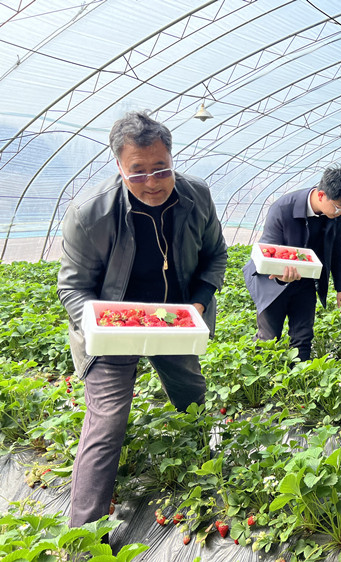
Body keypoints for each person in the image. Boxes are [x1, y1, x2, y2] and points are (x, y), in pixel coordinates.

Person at [57, 111, 228, 528]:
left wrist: (199, 306)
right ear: (119, 165)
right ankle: (85, 533)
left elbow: (215, 257)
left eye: (161, 169)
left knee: (191, 394)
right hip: (113, 327)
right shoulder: (90, 214)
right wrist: (104, 325)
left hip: (174, 320)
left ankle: (204, 471)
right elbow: (72, 288)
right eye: (138, 172)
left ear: (172, 159)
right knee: (108, 420)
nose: (152, 181)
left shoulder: (197, 197)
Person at [243, 165, 341, 361]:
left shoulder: (336, 213)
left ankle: (300, 385)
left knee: (303, 337)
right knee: (269, 339)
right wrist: (279, 274)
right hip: (272, 282)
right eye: (339, 206)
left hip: (305, 280)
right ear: (321, 195)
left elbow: (338, 248)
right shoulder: (283, 208)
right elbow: (269, 250)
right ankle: (263, 384)